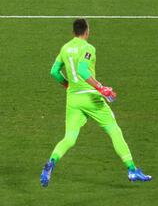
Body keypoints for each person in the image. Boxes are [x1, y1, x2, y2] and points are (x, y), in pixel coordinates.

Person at [40, 18, 152, 187]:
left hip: (73, 99)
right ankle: (131, 169)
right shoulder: (88, 48)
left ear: (73, 32)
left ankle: (51, 162)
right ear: (87, 31)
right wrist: (101, 88)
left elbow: (54, 72)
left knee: (69, 138)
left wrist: (68, 85)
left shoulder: (65, 48)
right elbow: (83, 70)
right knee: (114, 130)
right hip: (91, 98)